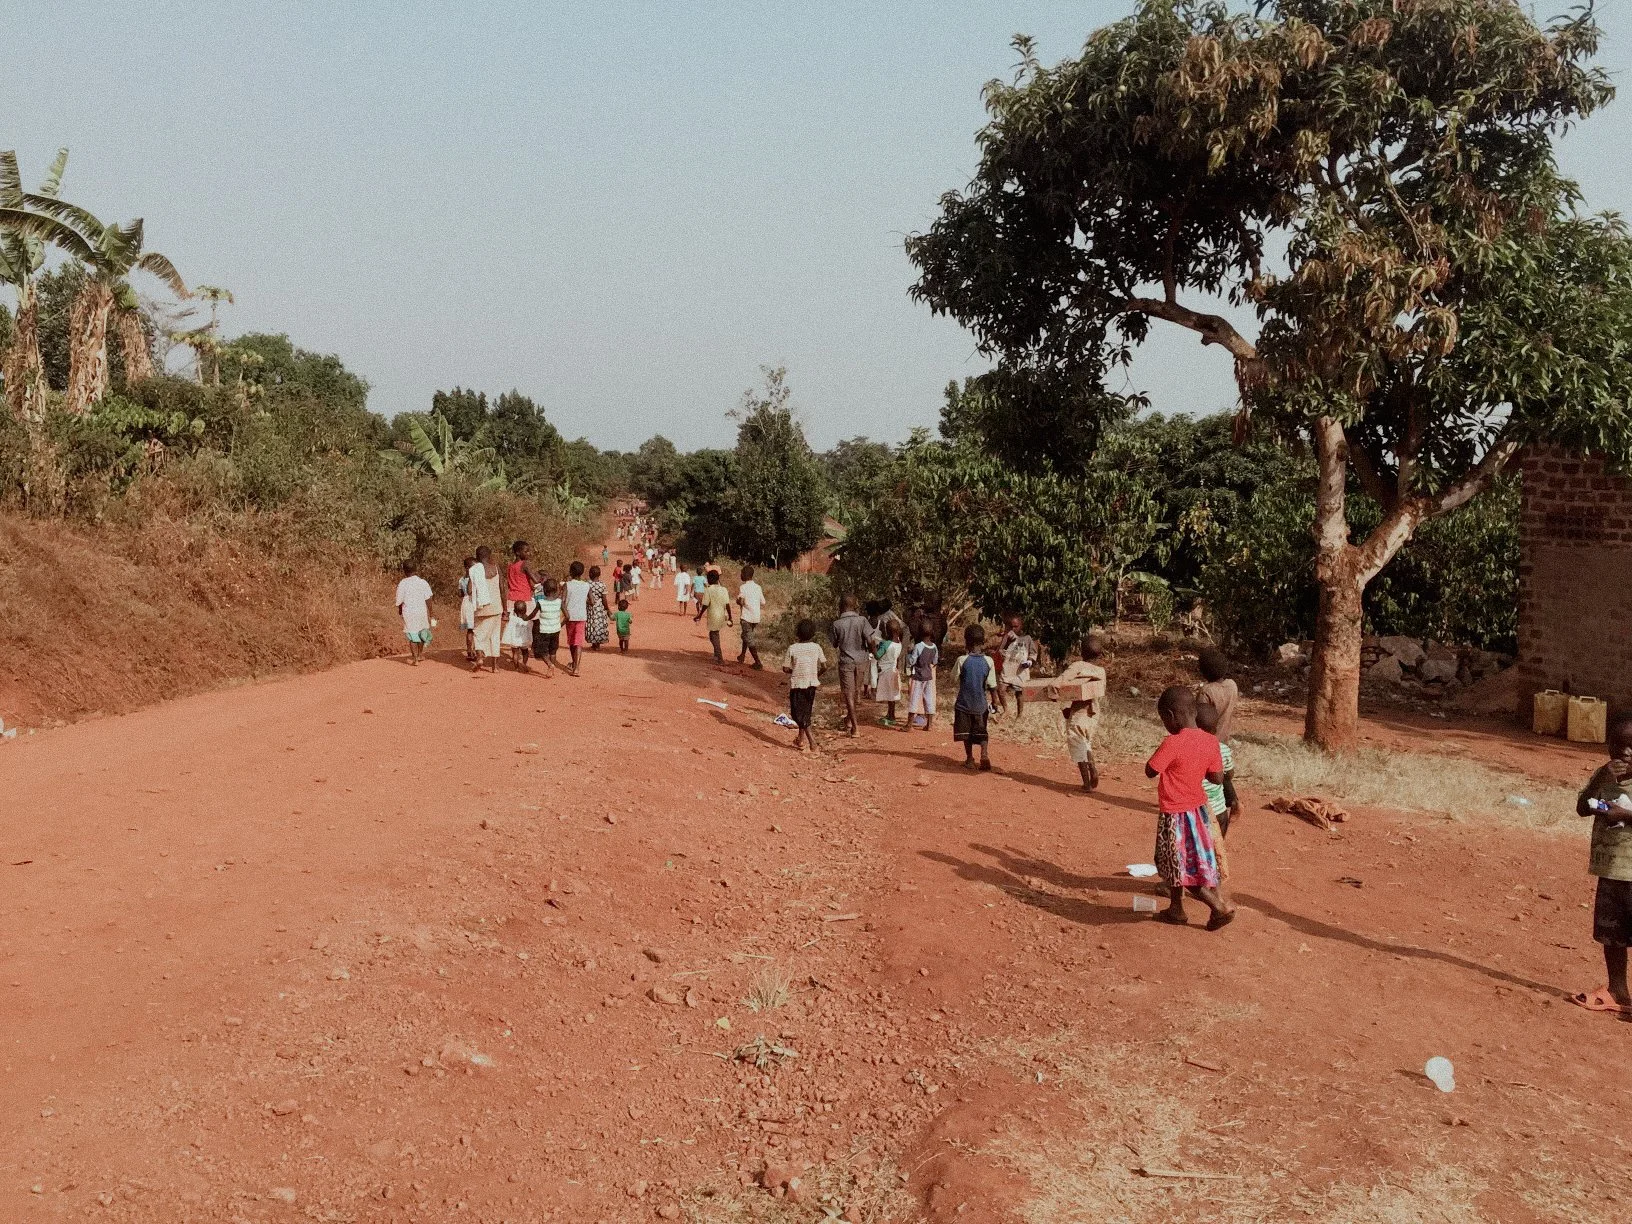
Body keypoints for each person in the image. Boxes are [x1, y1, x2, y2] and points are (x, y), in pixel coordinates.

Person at [1144, 686, 1234, 930]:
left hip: (1174, 815)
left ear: (1171, 716)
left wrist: (1168, 752)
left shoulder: (1172, 743)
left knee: (1180, 866)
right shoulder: (1211, 741)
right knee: (1178, 863)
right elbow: (1217, 778)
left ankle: (1218, 907)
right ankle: (1176, 908)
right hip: (1199, 814)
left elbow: (1150, 770)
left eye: (1164, 720)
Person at [1571, 716, 1632, 1018]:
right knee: (1612, 934)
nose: (1626, 752)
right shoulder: (1603, 776)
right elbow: (1583, 807)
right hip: (1611, 871)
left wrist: (1625, 815)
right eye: (1619, 745)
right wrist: (1601, 780)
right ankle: (1618, 990)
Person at [1047, 633, 1108, 791]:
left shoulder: (1078, 666)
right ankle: (1092, 767)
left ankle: (1086, 783)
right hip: (1093, 712)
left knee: (1077, 744)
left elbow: (1057, 683)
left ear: (1081, 652)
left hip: (1079, 712)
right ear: (1100, 654)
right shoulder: (1101, 671)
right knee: (1085, 742)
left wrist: (1053, 696)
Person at [828, 595, 881, 736]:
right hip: (861, 660)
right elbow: (870, 640)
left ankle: (854, 726)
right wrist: (875, 653)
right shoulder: (862, 620)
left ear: (841, 606)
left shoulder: (837, 624)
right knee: (856, 692)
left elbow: (834, 644)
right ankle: (849, 720)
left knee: (848, 694)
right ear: (855, 606)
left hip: (846, 662)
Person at [951, 624, 997, 770]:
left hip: (964, 703)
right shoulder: (989, 661)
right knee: (982, 731)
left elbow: (953, 678)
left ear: (966, 642)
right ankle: (984, 754)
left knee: (966, 734)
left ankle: (970, 759)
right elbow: (992, 685)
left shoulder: (962, 660)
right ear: (983, 642)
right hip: (981, 705)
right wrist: (995, 702)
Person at [1196, 700, 1240, 836]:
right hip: (1219, 810)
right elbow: (1229, 774)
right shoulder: (1223, 749)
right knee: (1218, 844)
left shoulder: (1188, 749)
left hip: (1196, 812)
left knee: (1197, 845)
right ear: (1215, 730)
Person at [782, 618, 827, 752]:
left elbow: (785, 668)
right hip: (811, 684)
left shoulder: (792, 648)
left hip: (798, 684)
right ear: (813, 634)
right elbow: (824, 666)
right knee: (806, 711)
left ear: (797, 633)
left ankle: (812, 742)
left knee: (797, 714)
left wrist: (794, 670)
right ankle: (800, 739)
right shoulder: (816, 647)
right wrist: (815, 675)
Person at [468, 548, 504, 674]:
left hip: (481, 608)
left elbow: (469, 590)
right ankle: (495, 667)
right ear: (489, 556)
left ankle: (479, 658)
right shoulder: (496, 568)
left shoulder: (474, 570)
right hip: (496, 606)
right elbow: (502, 588)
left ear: (477, 557)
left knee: (478, 634)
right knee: (495, 636)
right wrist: (505, 609)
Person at [394, 560, 434, 665]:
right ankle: (420, 654)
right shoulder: (422, 582)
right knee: (421, 633)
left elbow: (399, 601)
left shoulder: (402, 583)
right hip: (421, 611)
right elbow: (428, 599)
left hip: (409, 612)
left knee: (412, 634)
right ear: (416, 569)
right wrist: (431, 613)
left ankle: (415, 659)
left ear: (404, 570)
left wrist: (400, 611)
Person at [997, 614, 1037, 717]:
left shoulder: (1027, 639)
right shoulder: (1007, 637)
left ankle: (1019, 715)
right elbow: (1000, 650)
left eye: (1016, 626)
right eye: (1011, 627)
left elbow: (1033, 653)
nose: (1013, 629)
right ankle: (1006, 710)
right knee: (1001, 690)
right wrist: (1007, 641)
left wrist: (1029, 662)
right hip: (1008, 668)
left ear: (1021, 626)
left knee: (1019, 693)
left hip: (1020, 670)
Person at [1196, 647, 1239, 742]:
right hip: (1224, 740)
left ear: (1203, 671)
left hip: (1207, 742)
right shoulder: (1232, 685)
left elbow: (1199, 719)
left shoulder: (1206, 691)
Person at [694, 569, 734, 664]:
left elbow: (705, 605)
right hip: (721, 616)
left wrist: (699, 615)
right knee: (714, 635)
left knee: (714, 635)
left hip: (713, 616)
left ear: (709, 579)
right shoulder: (724, 589)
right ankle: (717, 655)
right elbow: (727, 604)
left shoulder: (708, 590)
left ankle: (720, 658)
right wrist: (730, 617)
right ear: (718, 579)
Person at [905, 624, 940, 732]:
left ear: (919, 633)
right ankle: (929, 725)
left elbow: (912, 661)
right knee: (929, 699)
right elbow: (935, 661)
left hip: (918, 676)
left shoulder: (918, 646)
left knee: (914, 698)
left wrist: (908, 654)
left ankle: (909, 725)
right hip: (929, 676)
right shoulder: (934, 647)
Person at [562, 560, 591, 677]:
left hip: (570, 617)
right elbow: (592, 601)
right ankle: (576, 668)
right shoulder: (586, 585)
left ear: (571, 572)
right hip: (581, 616)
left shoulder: (567, 585)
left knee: (571, 642)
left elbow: (562, 601)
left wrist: (565, 613)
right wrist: (583, 600)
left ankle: (574, 662)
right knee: (578, 642)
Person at [873, 622, 903, 727]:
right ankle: (890, 714)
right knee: (892, 696)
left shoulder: (886, 644)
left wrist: (873, 647)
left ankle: (891, 717)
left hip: (886, 672)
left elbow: (877, 656)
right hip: (893, 671)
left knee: (889, 696)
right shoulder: (899, 643)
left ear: (887, 631)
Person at [736, 565, 765, 669]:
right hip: (756, 617)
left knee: (748, 638)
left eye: (741, 574)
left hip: (746, 617)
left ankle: (758, 662)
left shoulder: (743, 587)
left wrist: (738, 601)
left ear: (744, 575)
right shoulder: (758, 587)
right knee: (746, 635)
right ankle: (742, 655)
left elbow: (741, 601)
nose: (740, 575)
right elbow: (763, 602)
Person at [533, 577, 563, 676]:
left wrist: (525, 617)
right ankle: (552, 669)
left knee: (541, 651)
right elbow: (567, 616)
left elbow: (533, 614)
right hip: (556, 630)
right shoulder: (559, 602)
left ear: (544, 590)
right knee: (553, 651)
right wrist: (560, 625)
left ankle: (550, 665)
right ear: (556, 590)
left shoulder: (541, 603)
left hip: (544, 631)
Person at [586, 565, 611, 651]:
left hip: (590, 607)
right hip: (600, 608)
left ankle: (593, 643)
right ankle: (598, 644)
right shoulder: (602, 585)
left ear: (590, 574)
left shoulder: (587, 584)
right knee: (599, 625)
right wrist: (607, 609)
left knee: (592, 624)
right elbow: (604, 599)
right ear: (599, 574)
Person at [457, 555, 477, 663]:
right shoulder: (474, 579)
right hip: (473, 602)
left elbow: (460, 594)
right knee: (476, 628)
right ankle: (475, 651)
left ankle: (469, 651)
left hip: (465, 603)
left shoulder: (461, 579)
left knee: (469, 629)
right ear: (468, 568)